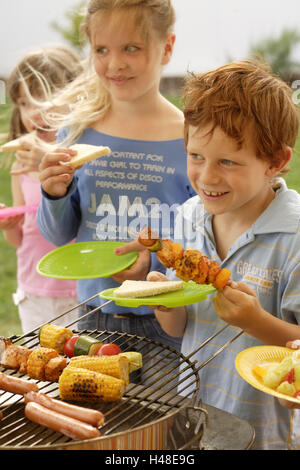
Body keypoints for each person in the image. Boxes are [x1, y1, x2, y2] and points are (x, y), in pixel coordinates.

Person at [122, 59, 300, 449]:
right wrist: (166, 304)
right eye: (196, 156)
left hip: (270, 436)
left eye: (228, 162)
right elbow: (181, 330)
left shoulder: (295, 237)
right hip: (198, 421)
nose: (206, 177)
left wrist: (257, 323)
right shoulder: (188, 217)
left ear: (276, 162)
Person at [37, 0, 194, 353]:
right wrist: (53, 194)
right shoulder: (77, 132)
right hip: (94, 315)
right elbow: (58, 235)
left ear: (166, 47)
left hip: (167, 317)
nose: (114, 63)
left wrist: (151, 262)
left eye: (132, 48)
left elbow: (204, 237)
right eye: (101, 49)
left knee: (164, 411)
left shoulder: (189, 139)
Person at [0, 46, 83, 333]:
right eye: (24, 103)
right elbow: (19, 240)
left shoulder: (83, 157)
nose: (34, 112)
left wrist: (48, 155)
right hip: (34, 291)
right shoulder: (20, 168)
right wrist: (10, 225)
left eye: (45, 99)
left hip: (78, 291)